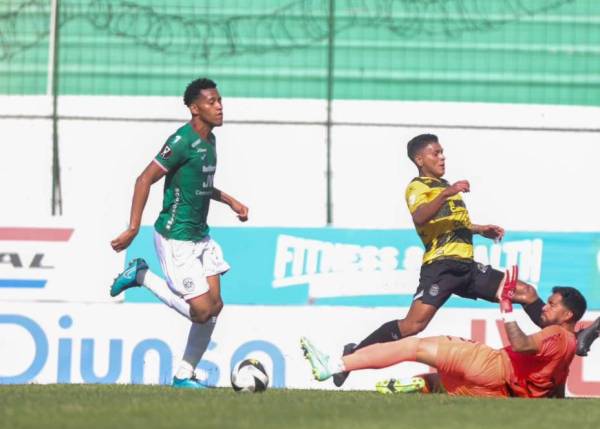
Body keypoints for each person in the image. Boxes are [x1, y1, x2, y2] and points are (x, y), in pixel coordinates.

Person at [333, 133, 597, 387]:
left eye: (442, 152)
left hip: (466, 267)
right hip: (441, 266)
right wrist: (447, 193)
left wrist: (479, 229)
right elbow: (421, 217)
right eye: (435, 153)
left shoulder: (446, 189)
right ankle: (353, 354)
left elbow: (452, 224)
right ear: (419, 160)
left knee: (526, 292)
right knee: (412, 325)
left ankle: (575, 337)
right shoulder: (418, 187)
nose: (442, 157)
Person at [109, 77, 248, 389]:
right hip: (176, 237)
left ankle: (184, 375)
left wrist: (230, 200)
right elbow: (144, 179)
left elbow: (199, 184)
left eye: (220, 100)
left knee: (215, 307)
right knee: (200, 311)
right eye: (212, 102)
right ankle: (141, 276)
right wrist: (133, 228)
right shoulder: (181, 141)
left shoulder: (210, 141)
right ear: (194, 108)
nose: (220, 106)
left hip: (200, 234)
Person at [301, 266, 587, 398]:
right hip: (499, 393)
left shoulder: (555, 334)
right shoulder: (570, 346)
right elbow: (555, 386)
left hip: (493, 367)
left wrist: (506, 308)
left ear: (568, 315)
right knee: (444, 382)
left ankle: (336, 365)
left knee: (413, 347)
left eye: (552, 305)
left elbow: (522, 344)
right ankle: (421, 386)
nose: (545, 310)